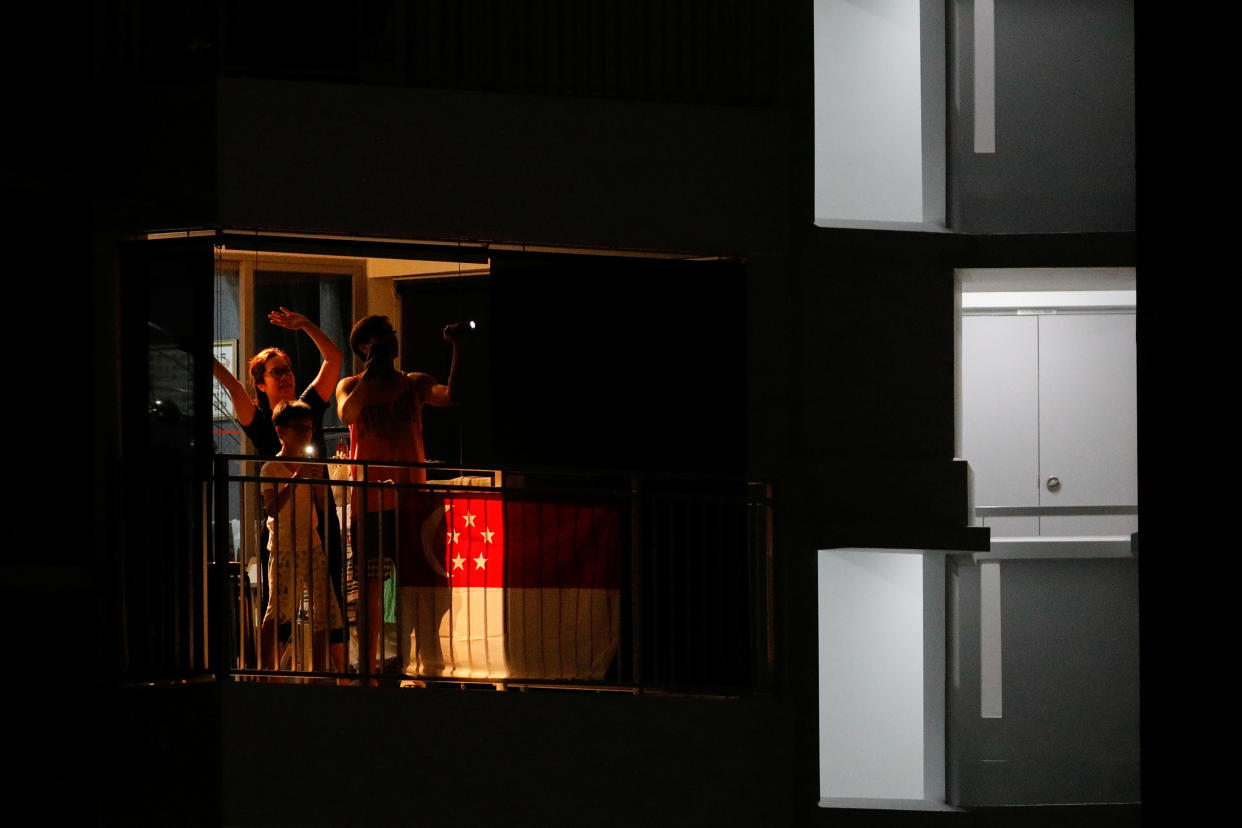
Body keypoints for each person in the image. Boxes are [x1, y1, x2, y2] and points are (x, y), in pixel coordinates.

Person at [335, 314, 461, 675]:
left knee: (418, 586)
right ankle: (369, 671)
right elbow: (347, 413)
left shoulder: (413, 383)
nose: (391, 341)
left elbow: (452, 396)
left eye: (391, 335)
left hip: (413, 502)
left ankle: (423, 665)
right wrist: (369, 374)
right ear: (364, 347)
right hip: (372, 504)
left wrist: (459, 349)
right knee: (371, 589)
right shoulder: (351, 384)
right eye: (381, 338)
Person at [213, 307, 346, 618]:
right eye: (276, 372)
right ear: (261, 384)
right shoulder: (258, 421)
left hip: (320, 520)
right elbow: (232, 385)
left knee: (331, 601)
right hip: (280, 527)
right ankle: (273, 667)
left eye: (287, 369)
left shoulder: (308, 405)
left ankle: (334, 667)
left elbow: (334, 359)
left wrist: (307, 325)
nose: (285, 376)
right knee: (279, 608)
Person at [258, 400, 346, 674]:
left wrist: (318, 481)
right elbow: (271, 507)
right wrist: (296, 477)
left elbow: (321, 504)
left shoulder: (312, 465)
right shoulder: (271, 468)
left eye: (309, 428)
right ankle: (267, 671)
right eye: (299, 428)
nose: (306, 434)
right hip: (284, 547)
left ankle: (320, 671)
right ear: (281, 431)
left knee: (324, 612)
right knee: (278, 611)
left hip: (313, 544)